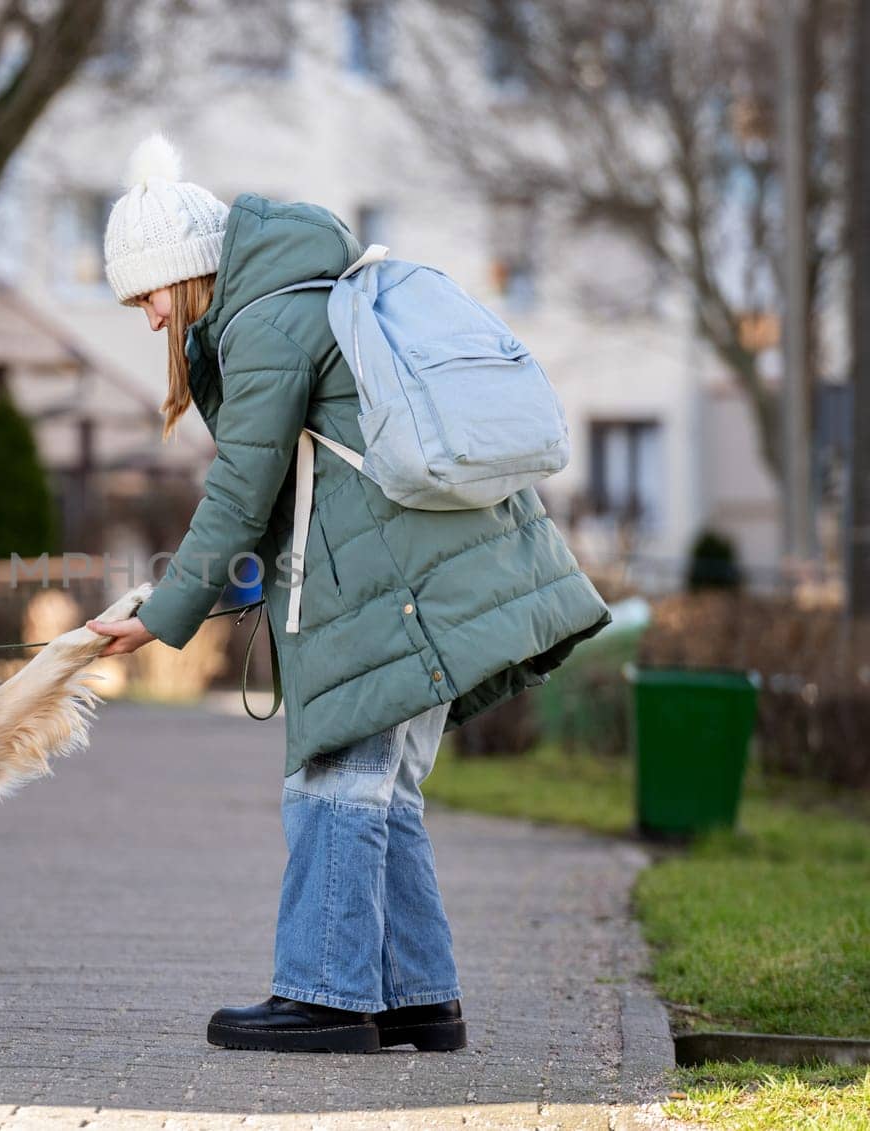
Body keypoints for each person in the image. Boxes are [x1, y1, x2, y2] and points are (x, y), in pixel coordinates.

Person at [87, 135, 611, 1055]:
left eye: (151, 295)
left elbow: (241, 494)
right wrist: (166, 598)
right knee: (387, 788)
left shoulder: (262, 325)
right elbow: (284, 503)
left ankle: (325, 995)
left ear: (188, 271)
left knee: (336, 778)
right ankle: (418, 996)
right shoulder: (304, 296)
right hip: (411, 576)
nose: (151, 319)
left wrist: (160, 617)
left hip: (389, 590)